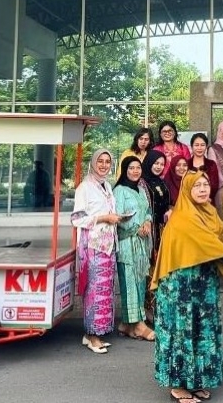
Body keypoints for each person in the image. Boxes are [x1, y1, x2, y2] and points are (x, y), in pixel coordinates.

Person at [151, 171, 223, 403]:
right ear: (187, 190)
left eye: (205, 184)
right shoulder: (182, 218)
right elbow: (213, 246)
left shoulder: (209, 214)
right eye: (196, 185)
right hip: (181, 288)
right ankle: (178, 385)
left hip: (203, 284)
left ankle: (196, 381)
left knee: (201, 331)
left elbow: (222, 237)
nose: (202, 188)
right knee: (183, 332)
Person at [71, 149, 122, 354]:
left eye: (107, 161)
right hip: (92, 247)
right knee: (93, 291)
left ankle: (95, 333)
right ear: (93, 163)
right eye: (100, 161)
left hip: (108, 245)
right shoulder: (84, 187)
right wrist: (103, 218)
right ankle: (92, 335)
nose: (103, 165)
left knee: (105, 291)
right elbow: (77, 219)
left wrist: (115, 217)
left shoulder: (106, 185)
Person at [114, 156, 155, 341]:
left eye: (138, 167)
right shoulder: (119, 191)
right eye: (131, 168)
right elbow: (118, 218)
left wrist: (147, 221)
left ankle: (126, 324)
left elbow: (147, 210)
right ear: (125, 170)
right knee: (129, 284)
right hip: (127, 245)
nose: (135, 171)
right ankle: (138, 324)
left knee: (139, 283)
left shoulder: (140, 189)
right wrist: (135, 228)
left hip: (141, 246)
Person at [141, 149, 170, 323]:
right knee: (150, 270)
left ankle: (161, 308)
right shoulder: (142, 183)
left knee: (161, 269)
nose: (158, 166)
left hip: (162, 231)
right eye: (156, 163)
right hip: (149, 232)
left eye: (161, 164)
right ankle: (148, 310)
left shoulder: (161, 182)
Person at [190, 132, 220, 202]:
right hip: (190, 202)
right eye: (196, 145)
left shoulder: (211, 164)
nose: (199, 148)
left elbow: (214, 185)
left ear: (206, 147)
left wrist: (205, 197)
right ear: (192, 147)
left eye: (202, 145)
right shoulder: (187, 164)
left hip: (208, 201)